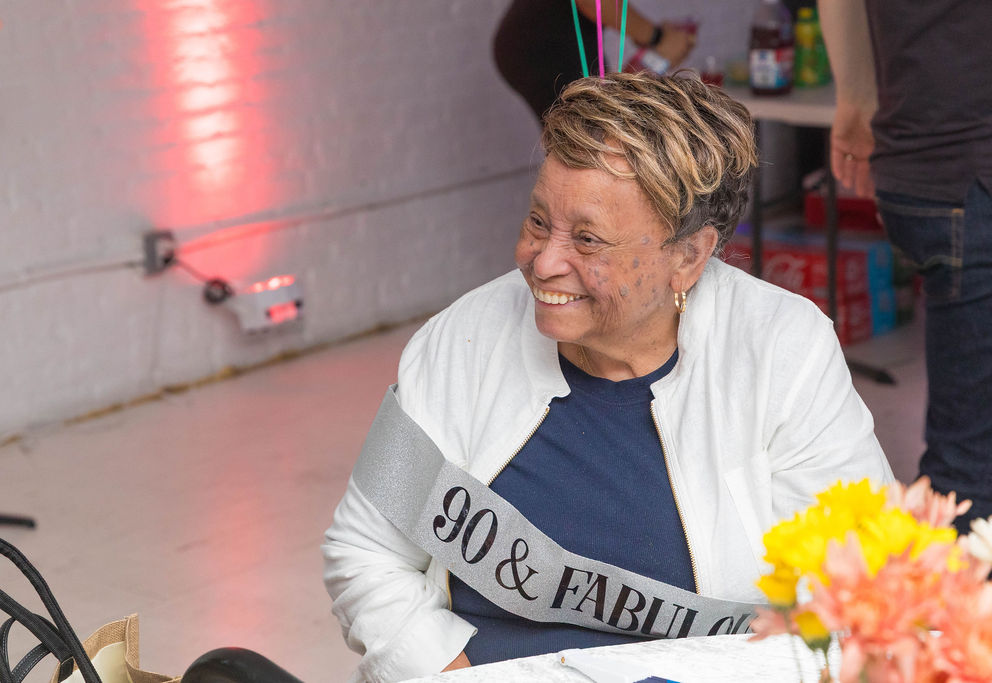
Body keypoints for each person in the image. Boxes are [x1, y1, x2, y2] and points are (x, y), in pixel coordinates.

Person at [323, 72, 893, 682]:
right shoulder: (459, 340)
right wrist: (443, 672)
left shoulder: (784, 349)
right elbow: (365, 551)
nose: (543, 262)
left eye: (588, 240)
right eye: (540, 222)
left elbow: (861, 583)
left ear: (689, 257)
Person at [819, 0, 992, 533]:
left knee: (985, 456)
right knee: (981, 487)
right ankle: (950, 614)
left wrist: (855, 100)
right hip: (988, 181)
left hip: (924, 165)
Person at [493, 0, 696, 123]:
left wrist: (647, 34)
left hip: (543, 36)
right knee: (596, 139)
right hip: (547, 41)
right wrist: (657, 38)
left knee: (591, 139)